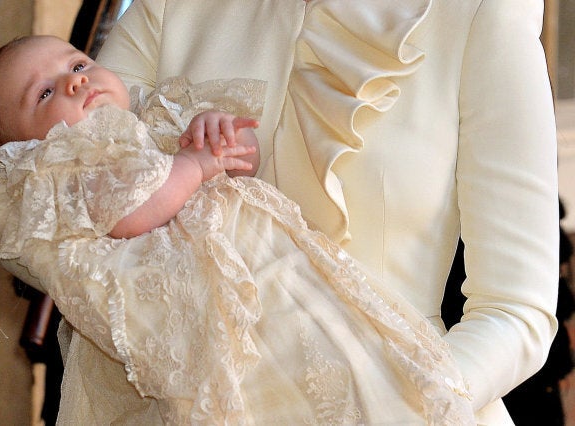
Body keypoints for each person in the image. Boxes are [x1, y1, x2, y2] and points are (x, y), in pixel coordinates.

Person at [0, 35, 474, 424]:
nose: (76, 82)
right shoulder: (61, 173)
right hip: (200, 315)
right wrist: (193, 167)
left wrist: (211, 131)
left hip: (276, 273)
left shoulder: (153, 116)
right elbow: (129, 212)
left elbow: (241, 164)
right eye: (45, 93)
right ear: (22, 149)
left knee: (343, 360)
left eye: (78, 64)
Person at [93, 1, 561, 424]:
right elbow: (44, 184)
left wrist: (396, 407)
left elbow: (516, 310)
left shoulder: (481, 10)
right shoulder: (170, 6)